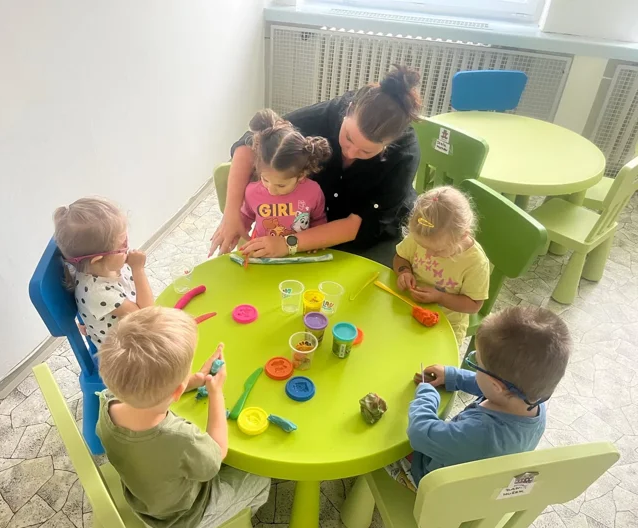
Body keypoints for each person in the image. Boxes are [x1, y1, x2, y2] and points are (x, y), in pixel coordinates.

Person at [210, 65, 423, 267]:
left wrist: (287, 244)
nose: (350, 153)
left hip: (365, 241)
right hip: (304, 225)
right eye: (348, 138)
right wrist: (231, 214)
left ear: (389, 144)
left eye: (366, 152)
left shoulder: (404, 156)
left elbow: (355, 226)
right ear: (348, 110)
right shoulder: (330, 113)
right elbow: (251, 142)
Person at [97, 307, 270, 528]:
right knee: (260, 478)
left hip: (144, 501)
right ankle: (228, 525)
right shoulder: (179, 437)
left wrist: (194, 381)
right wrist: (216, 393)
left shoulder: (107, 402)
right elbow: (217, 455)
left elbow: (146, 391)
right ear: (177, 391)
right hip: (181, 520)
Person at [387, 306, 571, 490]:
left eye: (478, 364)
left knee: (388, 443)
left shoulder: (480, 433)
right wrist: (453, 376)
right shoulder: (530, 401)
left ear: (496, 386)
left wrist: (427, 395)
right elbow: (492, 388)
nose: (475, 368)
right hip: (475, 472)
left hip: (432, 482)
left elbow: (419, 433)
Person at [393, 186, 490, 344]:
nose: (429, 254)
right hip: (407, 307)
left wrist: (440, 297)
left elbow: (474, 305)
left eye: (438, 250)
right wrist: (404, 272)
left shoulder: (475, 262)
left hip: (446, 325)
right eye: (423, 247)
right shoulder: (423, 234)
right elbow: (401, 257)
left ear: (462, 236)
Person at [53, 197, 154, 347]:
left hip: (129, 327)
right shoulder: (98, 292)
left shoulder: (104, 266)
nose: (128, 247)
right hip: (123, 352)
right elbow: (148, 317)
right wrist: (138, 269)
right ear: (97, 259)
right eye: (122, 245)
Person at [239, 109, 330, 243]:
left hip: (299, 250)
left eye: (281, 185)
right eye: (265, 180)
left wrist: (316, 241)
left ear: (301, 175)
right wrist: (238, 232)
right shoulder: (252, 192)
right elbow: (246, 216)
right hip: (263, 252)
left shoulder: (313, 192)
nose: (271, 190)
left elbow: (318, 220)